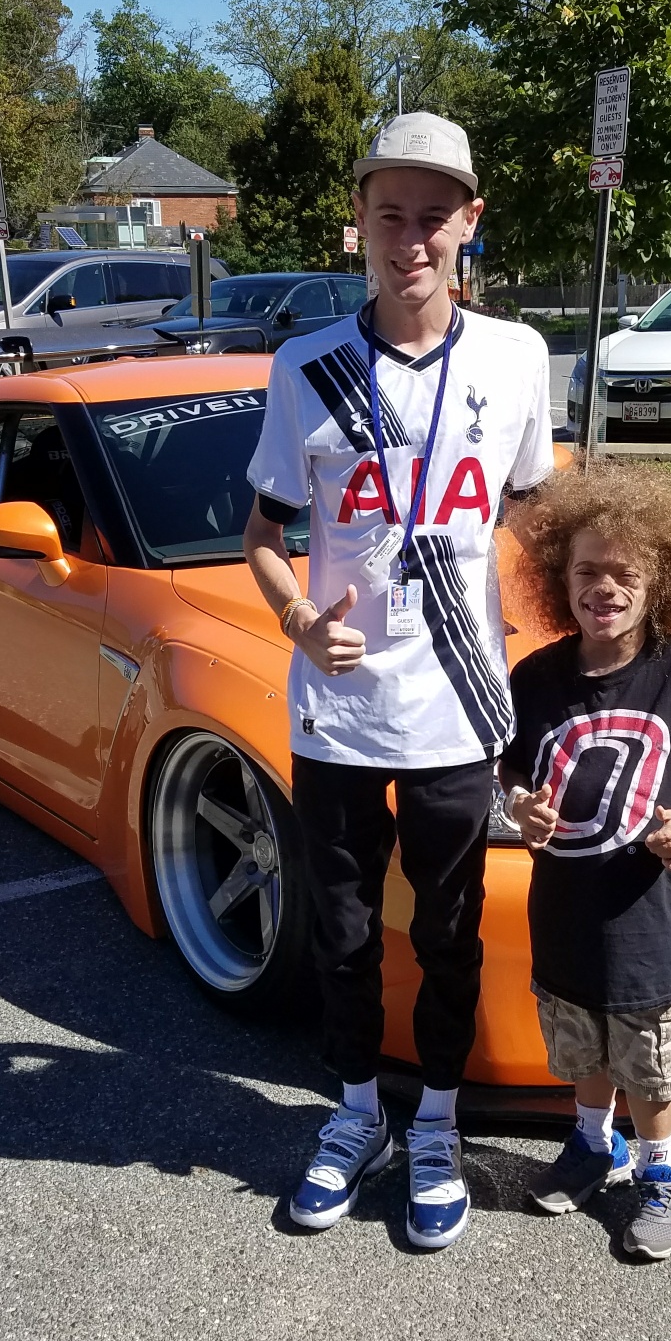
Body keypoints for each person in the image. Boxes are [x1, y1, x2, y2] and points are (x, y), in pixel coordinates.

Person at [242, 112, 554, 1251]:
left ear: (471, 224)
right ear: (359, 226)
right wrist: (293, 614)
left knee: (455, 935)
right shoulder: (304, 367)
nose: (411, 239)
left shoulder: (519, 358)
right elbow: (263, 531)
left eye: (435, 216)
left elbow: (527, 516)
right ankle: (357, 1110)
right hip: (337, 714)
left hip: (463, 709)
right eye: (391, 216)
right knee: (340, 934)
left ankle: (437, 1123)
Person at [498, 463, 671, 1261]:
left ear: (661, 582)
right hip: (566, 915)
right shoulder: (537, 677)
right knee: (582, 1045)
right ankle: (591, 1143)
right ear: (559, 580)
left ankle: (658, 1171)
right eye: (587, 572)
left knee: (650, 1063)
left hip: (651, 921)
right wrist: (521, 805)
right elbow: (513, 767)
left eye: (625, 575)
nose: (603, 589)